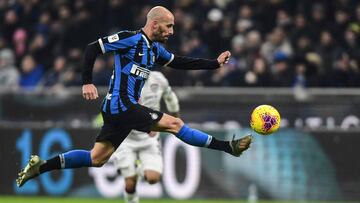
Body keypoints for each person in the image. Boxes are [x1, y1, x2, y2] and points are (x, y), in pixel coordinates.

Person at [16, 6, 252, 188]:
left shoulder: (155, 50)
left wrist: (214, 64)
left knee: (97, 158)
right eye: (168, 27)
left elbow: (180, 62)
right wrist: (87, 81)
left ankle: (42, 166)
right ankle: (228, 147)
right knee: (175, 123)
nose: (171, 32)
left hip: (118, 110)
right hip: (122, 105)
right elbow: (92, 48)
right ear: (155, 24)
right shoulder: (130, 39)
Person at [111, 71, 180, 203]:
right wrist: (145, 125)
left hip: (149, 139)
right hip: (125, 137)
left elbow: (171, 98)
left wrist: (177, 120)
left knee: (153, 178)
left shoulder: (158, 79)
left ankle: (137, 169)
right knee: (130, 184)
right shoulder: (122, 77)